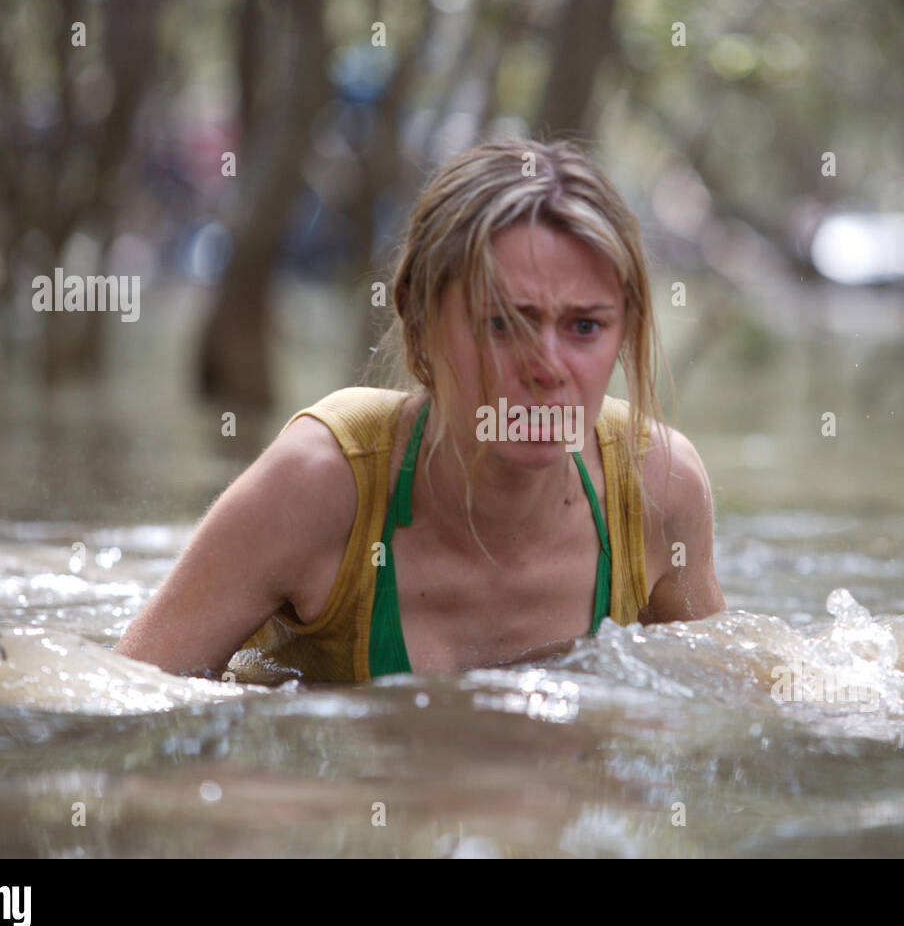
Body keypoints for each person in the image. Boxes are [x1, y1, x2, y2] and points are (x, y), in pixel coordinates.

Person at [114, 138, 726, 682]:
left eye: (585, 326)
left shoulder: (656, 487)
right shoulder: (318, 485)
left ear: (624, 333)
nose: (547, 367)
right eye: (502, 323)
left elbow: (730, 700)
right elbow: (118, 704)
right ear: (418, 320)